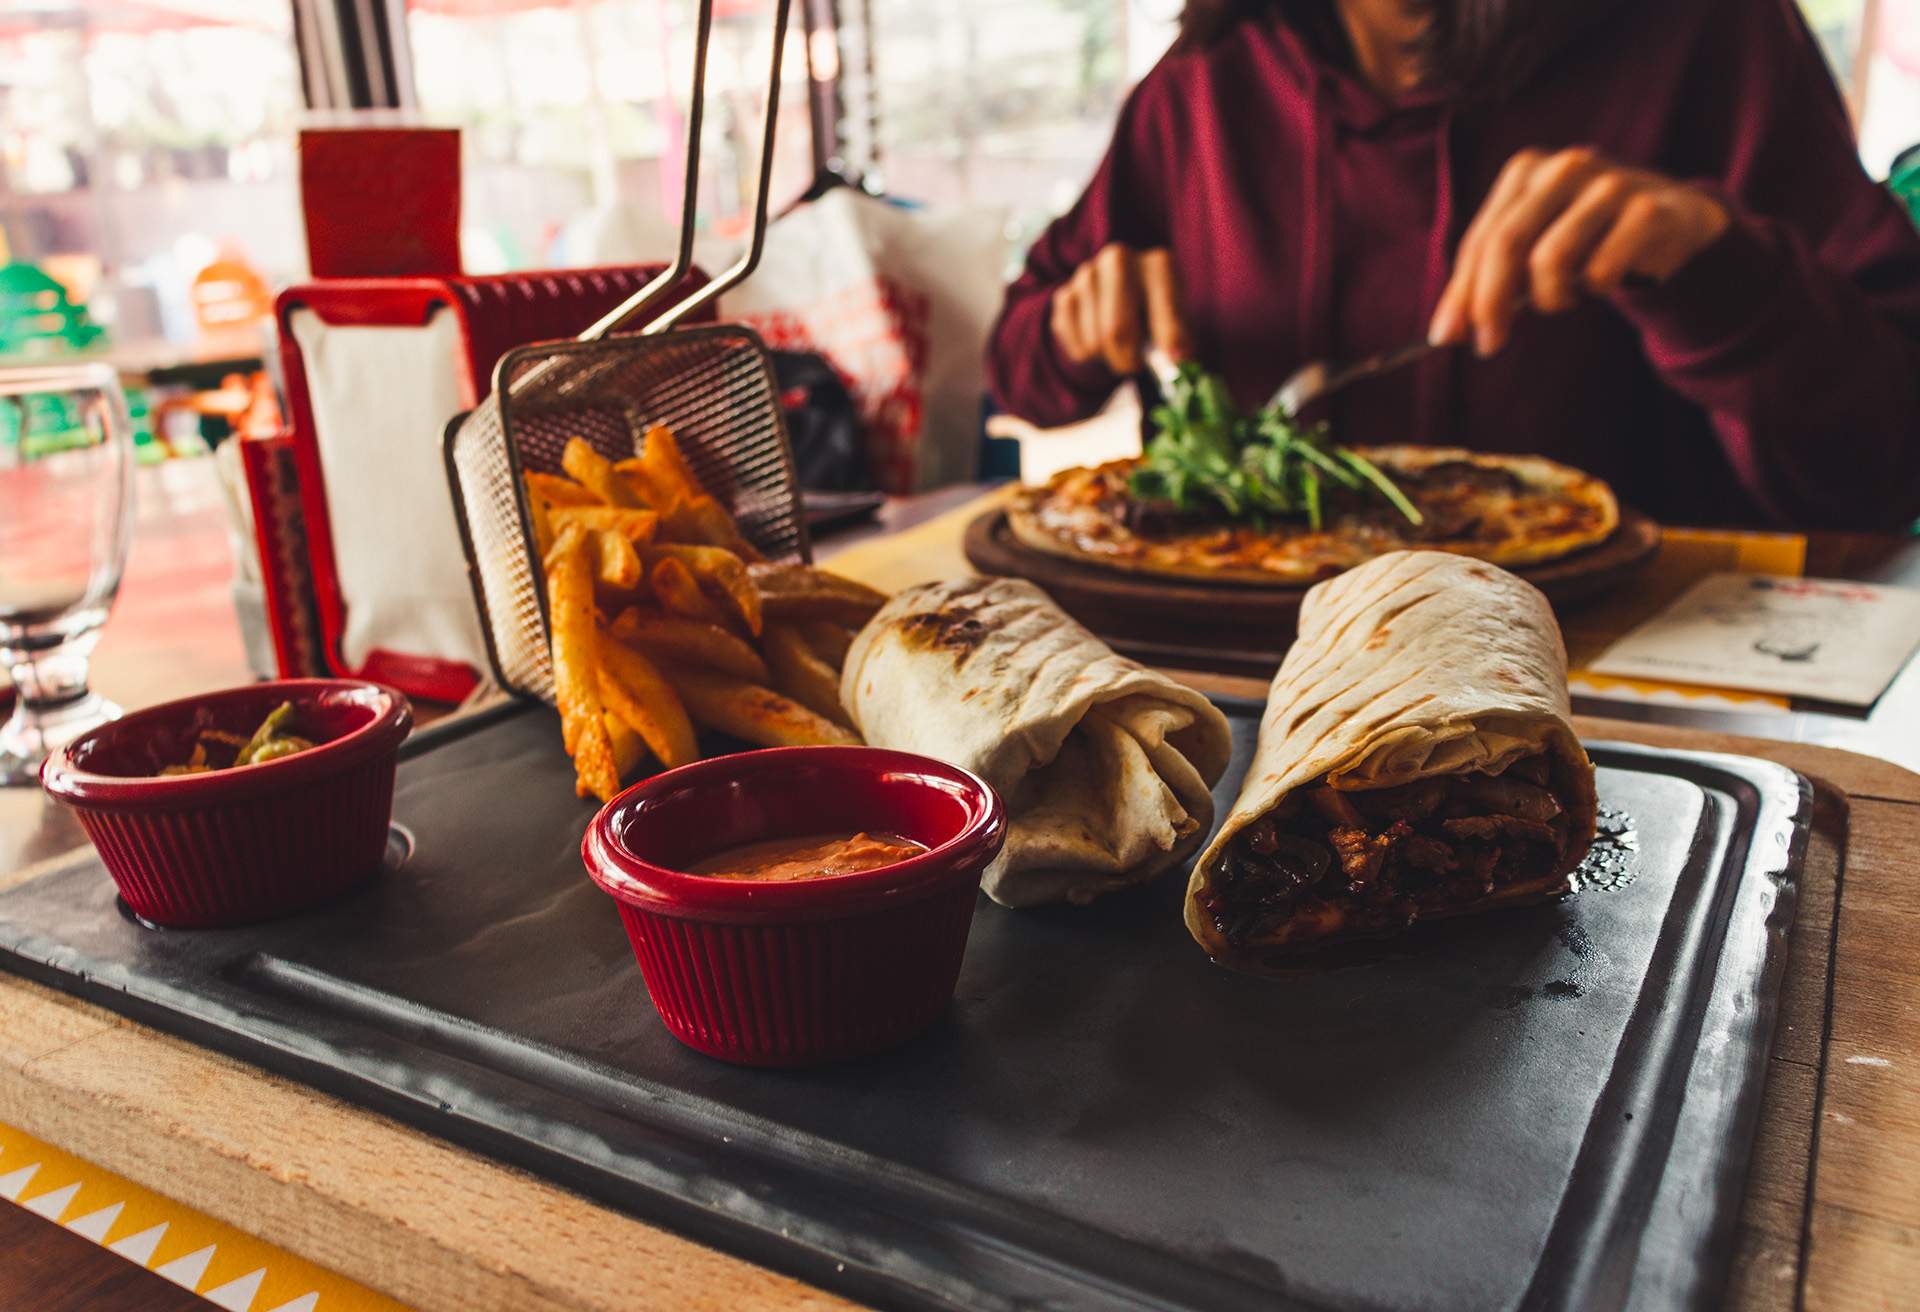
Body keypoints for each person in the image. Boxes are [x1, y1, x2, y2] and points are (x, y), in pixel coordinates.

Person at [986, 0, 1920, 529]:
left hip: (1629, 706)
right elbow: (1017, 373)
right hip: (1248, 688)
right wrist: (1075, 324)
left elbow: (1889, 459)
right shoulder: (1202, 86)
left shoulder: (1717, 37)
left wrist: (1714, 268)